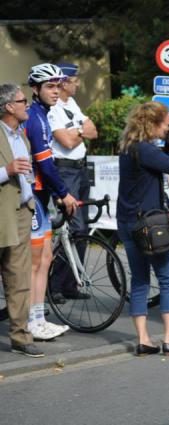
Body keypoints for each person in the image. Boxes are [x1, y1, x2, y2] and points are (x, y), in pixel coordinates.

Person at [116, 101, 169, 356]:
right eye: (166, 123)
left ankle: (143, 340)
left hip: (127, 221)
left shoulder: (130, 147)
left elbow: (162, 162)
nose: (168, 127)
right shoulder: (145, 149)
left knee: (139, 280)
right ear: (154, 124)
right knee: (168, 279)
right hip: (149, 225)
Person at [24, 64, 77, 341]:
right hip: (32, 195)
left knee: (44, 259)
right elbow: (44, 163)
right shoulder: (34, 118)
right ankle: (32, 321)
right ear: (35, 89)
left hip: (42, 196)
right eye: (49, 86)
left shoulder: (44, 115)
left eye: (58, 86)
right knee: (35, 262)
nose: (56, 91)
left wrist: (57, 193)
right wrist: (64, 193)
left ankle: (38, 317)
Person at [47, 63, 98, 304]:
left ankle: (70, 284)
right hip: (65, 169)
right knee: (71, 227)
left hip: (80, 168)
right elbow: (66, 142)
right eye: (74, 79)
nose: (77, 83)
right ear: (64, 82)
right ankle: (54, 285)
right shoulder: (54, 108)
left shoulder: (72, 104)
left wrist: (77, 132)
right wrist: (80, 131)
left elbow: (93, 131)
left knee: (82, 228)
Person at [0, 83, 43, 358]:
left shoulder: (22, 137)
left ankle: (20, 336)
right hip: (1, 212)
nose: (27, 104)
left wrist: (31, 203)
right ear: (8, 107)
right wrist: (7, 170)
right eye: (22, 100)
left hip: (21, 212)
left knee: (19, 277)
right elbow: (11, 171)